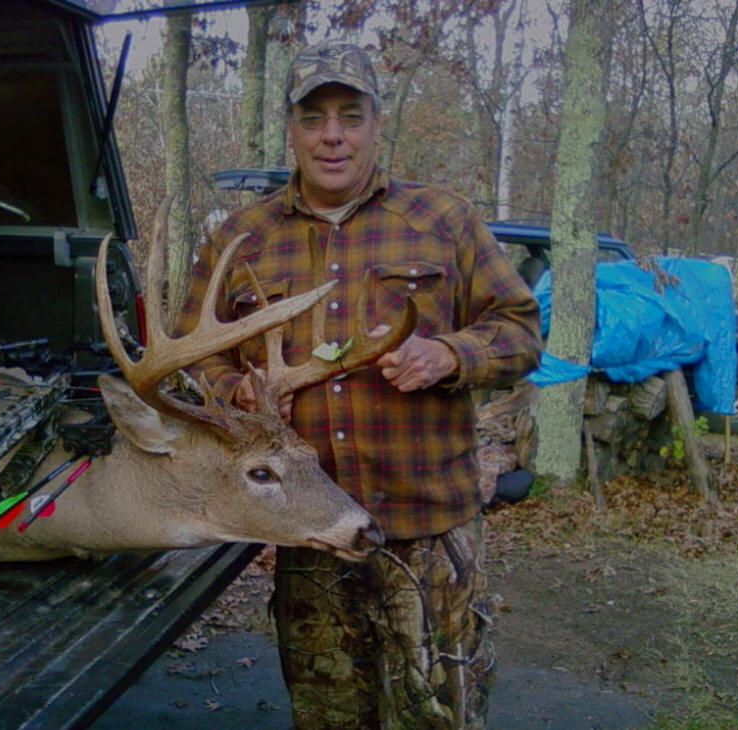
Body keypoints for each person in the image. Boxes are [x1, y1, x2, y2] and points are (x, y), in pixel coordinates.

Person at [177, 39, 542, 730]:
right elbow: (194, 357)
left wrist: (449, 354)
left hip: (428, 532)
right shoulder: (240, 239)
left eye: (351, 115)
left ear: (378, 124)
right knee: (329, 718)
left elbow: (521, 330)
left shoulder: (444, 219)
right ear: (291, 129)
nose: (333, 136)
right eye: (313, 118)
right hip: (310, 538)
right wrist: (239, 394)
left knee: (440, 718)